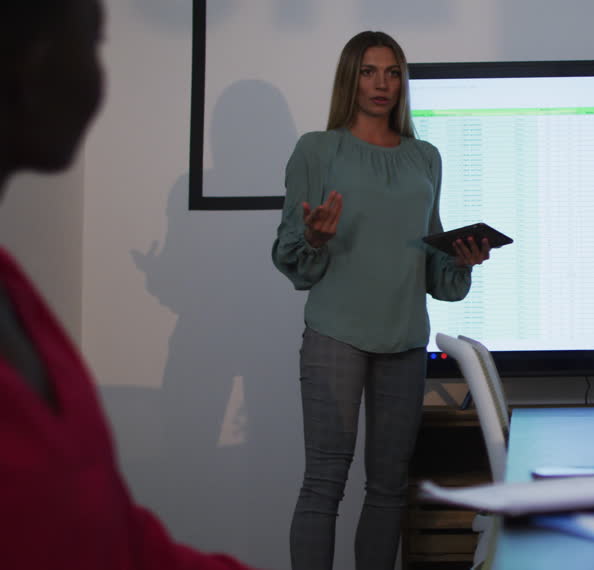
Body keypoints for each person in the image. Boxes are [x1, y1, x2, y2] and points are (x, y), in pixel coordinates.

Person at [0, 1, 256, 569]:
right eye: (94, 43)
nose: (101, 80)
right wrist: (164, 276)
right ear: (34, 63)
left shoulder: (16, 296)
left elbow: (107, 533)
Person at [272, 31, 491, 570]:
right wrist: (315, 238)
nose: (382, 84)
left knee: (390, 486)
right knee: (325, 480)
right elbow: (289, 251)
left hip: (406, 337)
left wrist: (461, 260)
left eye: (393, 72)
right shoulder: (317, 150)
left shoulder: (425, 157)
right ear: (350, 78)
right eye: (369, 71)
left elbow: (432, 261)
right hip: (336, 335)